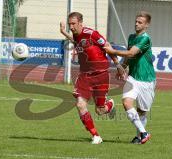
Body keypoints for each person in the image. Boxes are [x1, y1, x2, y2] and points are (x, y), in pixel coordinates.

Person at [60, 12, 126, 144]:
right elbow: (75, 41)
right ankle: (95, 135)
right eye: (69, 24)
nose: (71, 27)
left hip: (101, 75)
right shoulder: (75, 34)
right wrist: (64, 33)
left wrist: (118, 65)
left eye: (73, 24)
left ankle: (110, 104)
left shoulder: (92, 34)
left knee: (100, 111)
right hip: (84, 76)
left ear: (80, 23)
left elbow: (108, 48)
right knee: (80, 104)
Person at [104, 11, 156, 144]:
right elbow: (128, 56)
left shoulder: (146, 38)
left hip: (147, 80)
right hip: (133, 77)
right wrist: (122, 67)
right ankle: (144, 133)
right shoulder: (132, 37)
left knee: (142, 111)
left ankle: (139, 136)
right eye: (136, 21)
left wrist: (112, 51)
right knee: (126, 102)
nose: (136, 24)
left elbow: (132, 53)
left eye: (140, 22)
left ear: (147, 25)